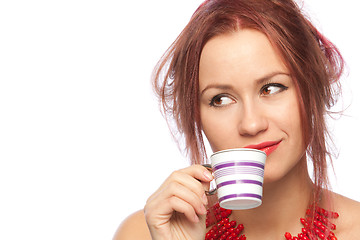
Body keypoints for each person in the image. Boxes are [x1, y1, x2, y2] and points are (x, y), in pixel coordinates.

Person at [114, 0, 360, 239]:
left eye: (272, 88)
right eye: (220, 99)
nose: (251, 124)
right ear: (196, 115)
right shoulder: (143, 233)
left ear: (312, 89)